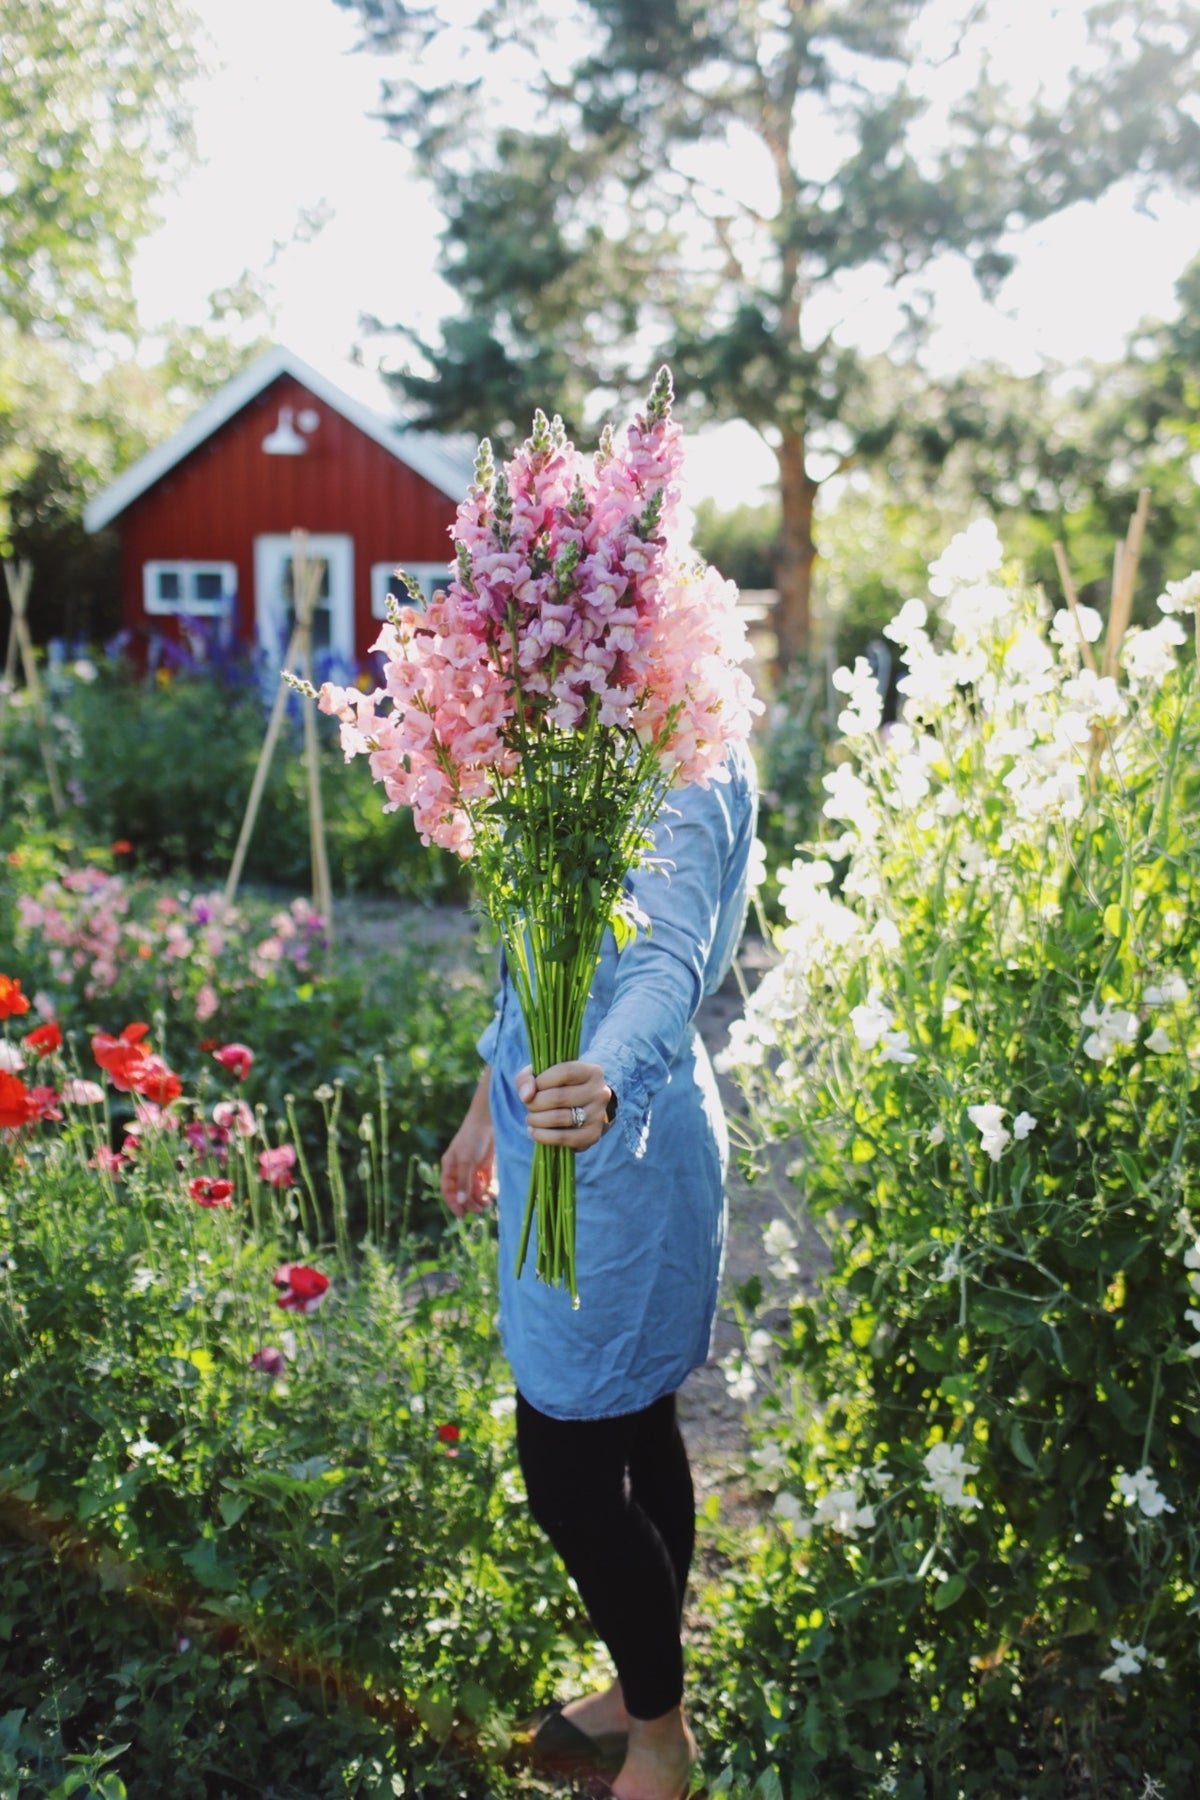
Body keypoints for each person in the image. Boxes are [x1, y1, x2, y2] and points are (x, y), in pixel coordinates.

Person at [440, 735, 758, 1800]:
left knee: (571, 1472)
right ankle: (640, 1691)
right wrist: (490, 1104)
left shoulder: (691, 744)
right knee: (631, 1427)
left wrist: (607, 1078)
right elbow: (526, 951)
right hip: (543, 1127)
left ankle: (662, 1738)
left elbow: (669, 956)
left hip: (624, 1138)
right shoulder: (552, 720)